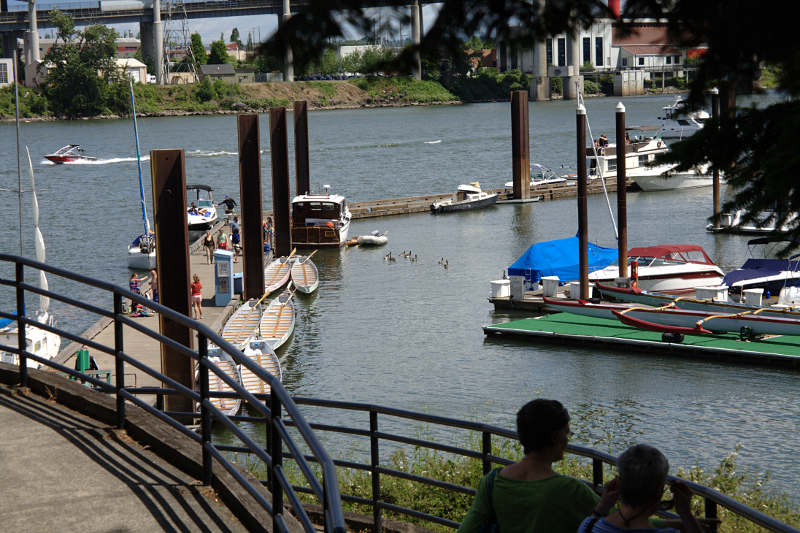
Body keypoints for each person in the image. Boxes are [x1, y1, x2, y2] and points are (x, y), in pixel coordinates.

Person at [458, 399, 606, 533]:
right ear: (555, 437)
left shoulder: (491, 483)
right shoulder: (572, 489)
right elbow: (613, 522)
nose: (568, 440)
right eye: (567, 433)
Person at [577, 444, 703, 533]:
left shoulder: (588, 527)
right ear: (659, 490)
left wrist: (603, 506)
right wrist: (686, 513)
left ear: (618, 484)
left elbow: (593, 521)